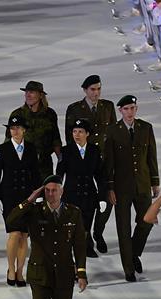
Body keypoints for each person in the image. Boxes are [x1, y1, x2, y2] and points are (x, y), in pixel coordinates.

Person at [105, 95, 159, 282]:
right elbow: (109, 162)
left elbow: (151, 156)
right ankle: (128, 268)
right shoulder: (112, 131)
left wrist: (155, 181)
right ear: (120, 111)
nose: (130, 112)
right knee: (123, 228)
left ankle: (134, 253)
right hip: (121, 187)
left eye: (133, 108)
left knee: (147, 221)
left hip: (143, 184)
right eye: (126, 109)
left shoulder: (146, 128)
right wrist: (110, 188)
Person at [64, 75, 117, 255]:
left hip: (104, 160)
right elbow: (69, 137)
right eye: (93, 89)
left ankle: (98, 232)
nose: (96, 93)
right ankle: (85, 239)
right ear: (85, 90)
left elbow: (113, 134)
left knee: (107, 199)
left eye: (98, 89)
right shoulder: (74, 109)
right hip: (84, 159)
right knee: (83, 201)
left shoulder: (108, 106)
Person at [0, 115, 41, 287]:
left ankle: (20, 271)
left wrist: (38, 193)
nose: (15, 131)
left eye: (18, 128)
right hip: (9, 197)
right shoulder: (2, 149)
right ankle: (10, 269)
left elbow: (35, 172)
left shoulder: (31, 148)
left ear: (24, 130)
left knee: (24, 235)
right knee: (14, 233)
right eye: (12, 128)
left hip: (27, 197)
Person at [56, 118, 106, 258]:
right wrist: (56, 194)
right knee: (71, 227)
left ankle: (85, 248)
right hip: (71, 196)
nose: (77, 135)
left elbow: (100, 175)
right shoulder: (65, 151)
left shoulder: (94, 150)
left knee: (86, 226)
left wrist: (102, 197)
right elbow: (59, 174)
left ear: (87, 134)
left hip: (89, 195)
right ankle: (70, 251)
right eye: (74, 131)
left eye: (80, 132)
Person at [6, 81, 62, 178]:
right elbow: (8, 141)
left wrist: (61, 162)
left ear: (40, 95)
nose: (28, 95)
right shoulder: (17, 114)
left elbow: (56, 139)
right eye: (26, 92)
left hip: (44, 167)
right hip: (22, 166)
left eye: (31, 92)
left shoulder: (50, 114)